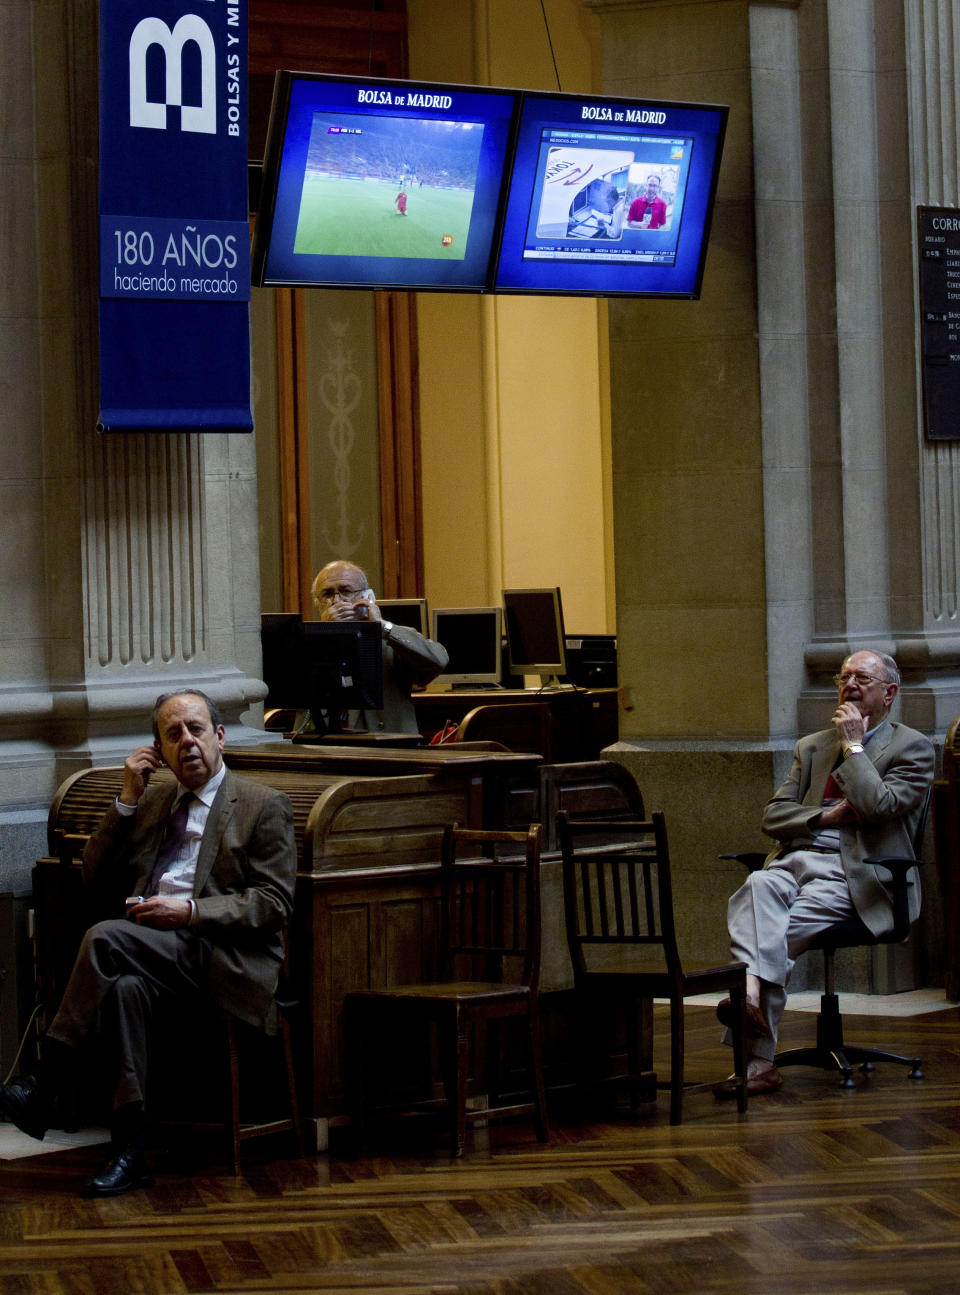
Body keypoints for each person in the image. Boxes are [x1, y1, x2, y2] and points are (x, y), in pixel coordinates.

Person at [0, 689, 296, 1196]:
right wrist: (126, 799)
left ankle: (48, 1085)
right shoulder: (155, 799)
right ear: (158, 748)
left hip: (222, 956)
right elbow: (91, 879)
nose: (188, 742)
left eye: (196, 730)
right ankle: (130, 1149)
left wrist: (191, 911)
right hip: (155, 953)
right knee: (124, 990)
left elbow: (274, 903)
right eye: (173, 734)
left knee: (104, 940)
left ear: (220, 737)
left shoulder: (262, 804)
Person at [717, 650, 935, 1095]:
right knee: (757, 883)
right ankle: (752, 998)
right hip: (799, 856)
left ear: (889, 692)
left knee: (771, 931)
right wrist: (822, 819)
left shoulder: (912, 747)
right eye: (844, 677)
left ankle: (756, 1056)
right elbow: (773, 817)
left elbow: (880, 807)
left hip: (862, 874)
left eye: (862, 678)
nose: (849, 685)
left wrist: (854, 747)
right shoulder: (812, 746)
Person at [311, 560, 448, 733]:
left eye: (346, 591)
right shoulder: (307, 643)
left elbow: (438, 661)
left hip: (385, 748)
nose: (336, 601)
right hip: (323, 746)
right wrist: (326, 635)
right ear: (318, 602)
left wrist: (382, 626)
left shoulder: (392, 639)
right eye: (327, 594)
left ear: (366, 596)